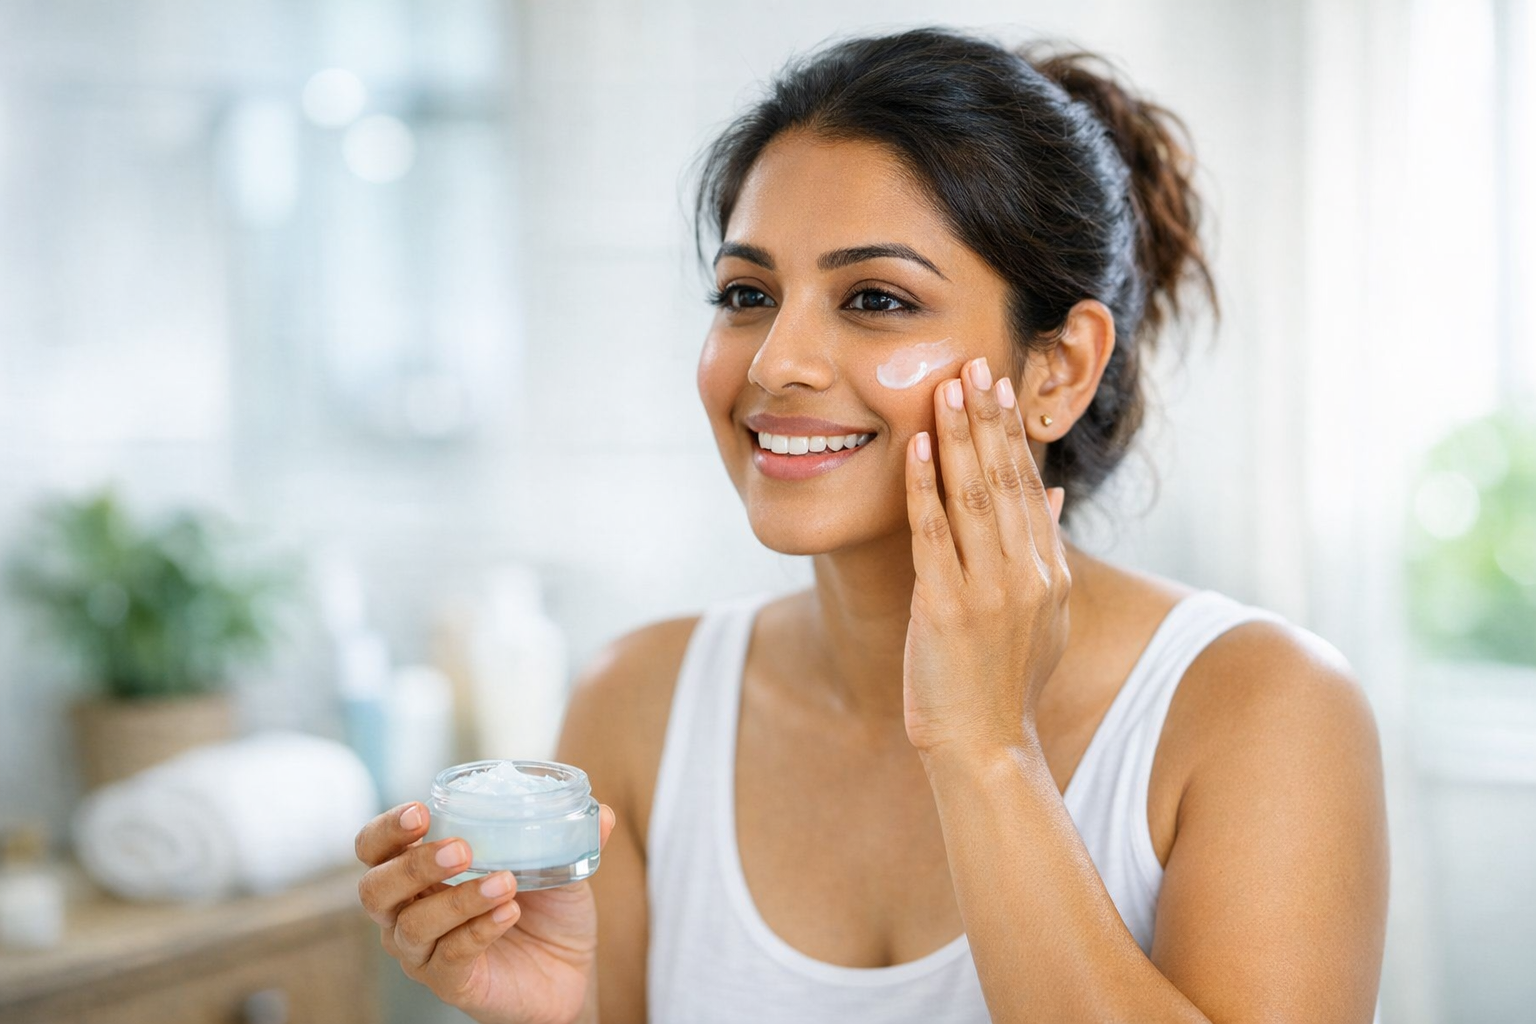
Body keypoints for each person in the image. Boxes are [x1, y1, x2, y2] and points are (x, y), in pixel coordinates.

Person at [354, 25, 1390, 1024]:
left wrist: (988, 751)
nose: (774, 362)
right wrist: (540, 1014)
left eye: (878, 299)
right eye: (747, 292)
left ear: (1058, 368)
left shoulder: (1262, 710)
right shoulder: (637, 706)